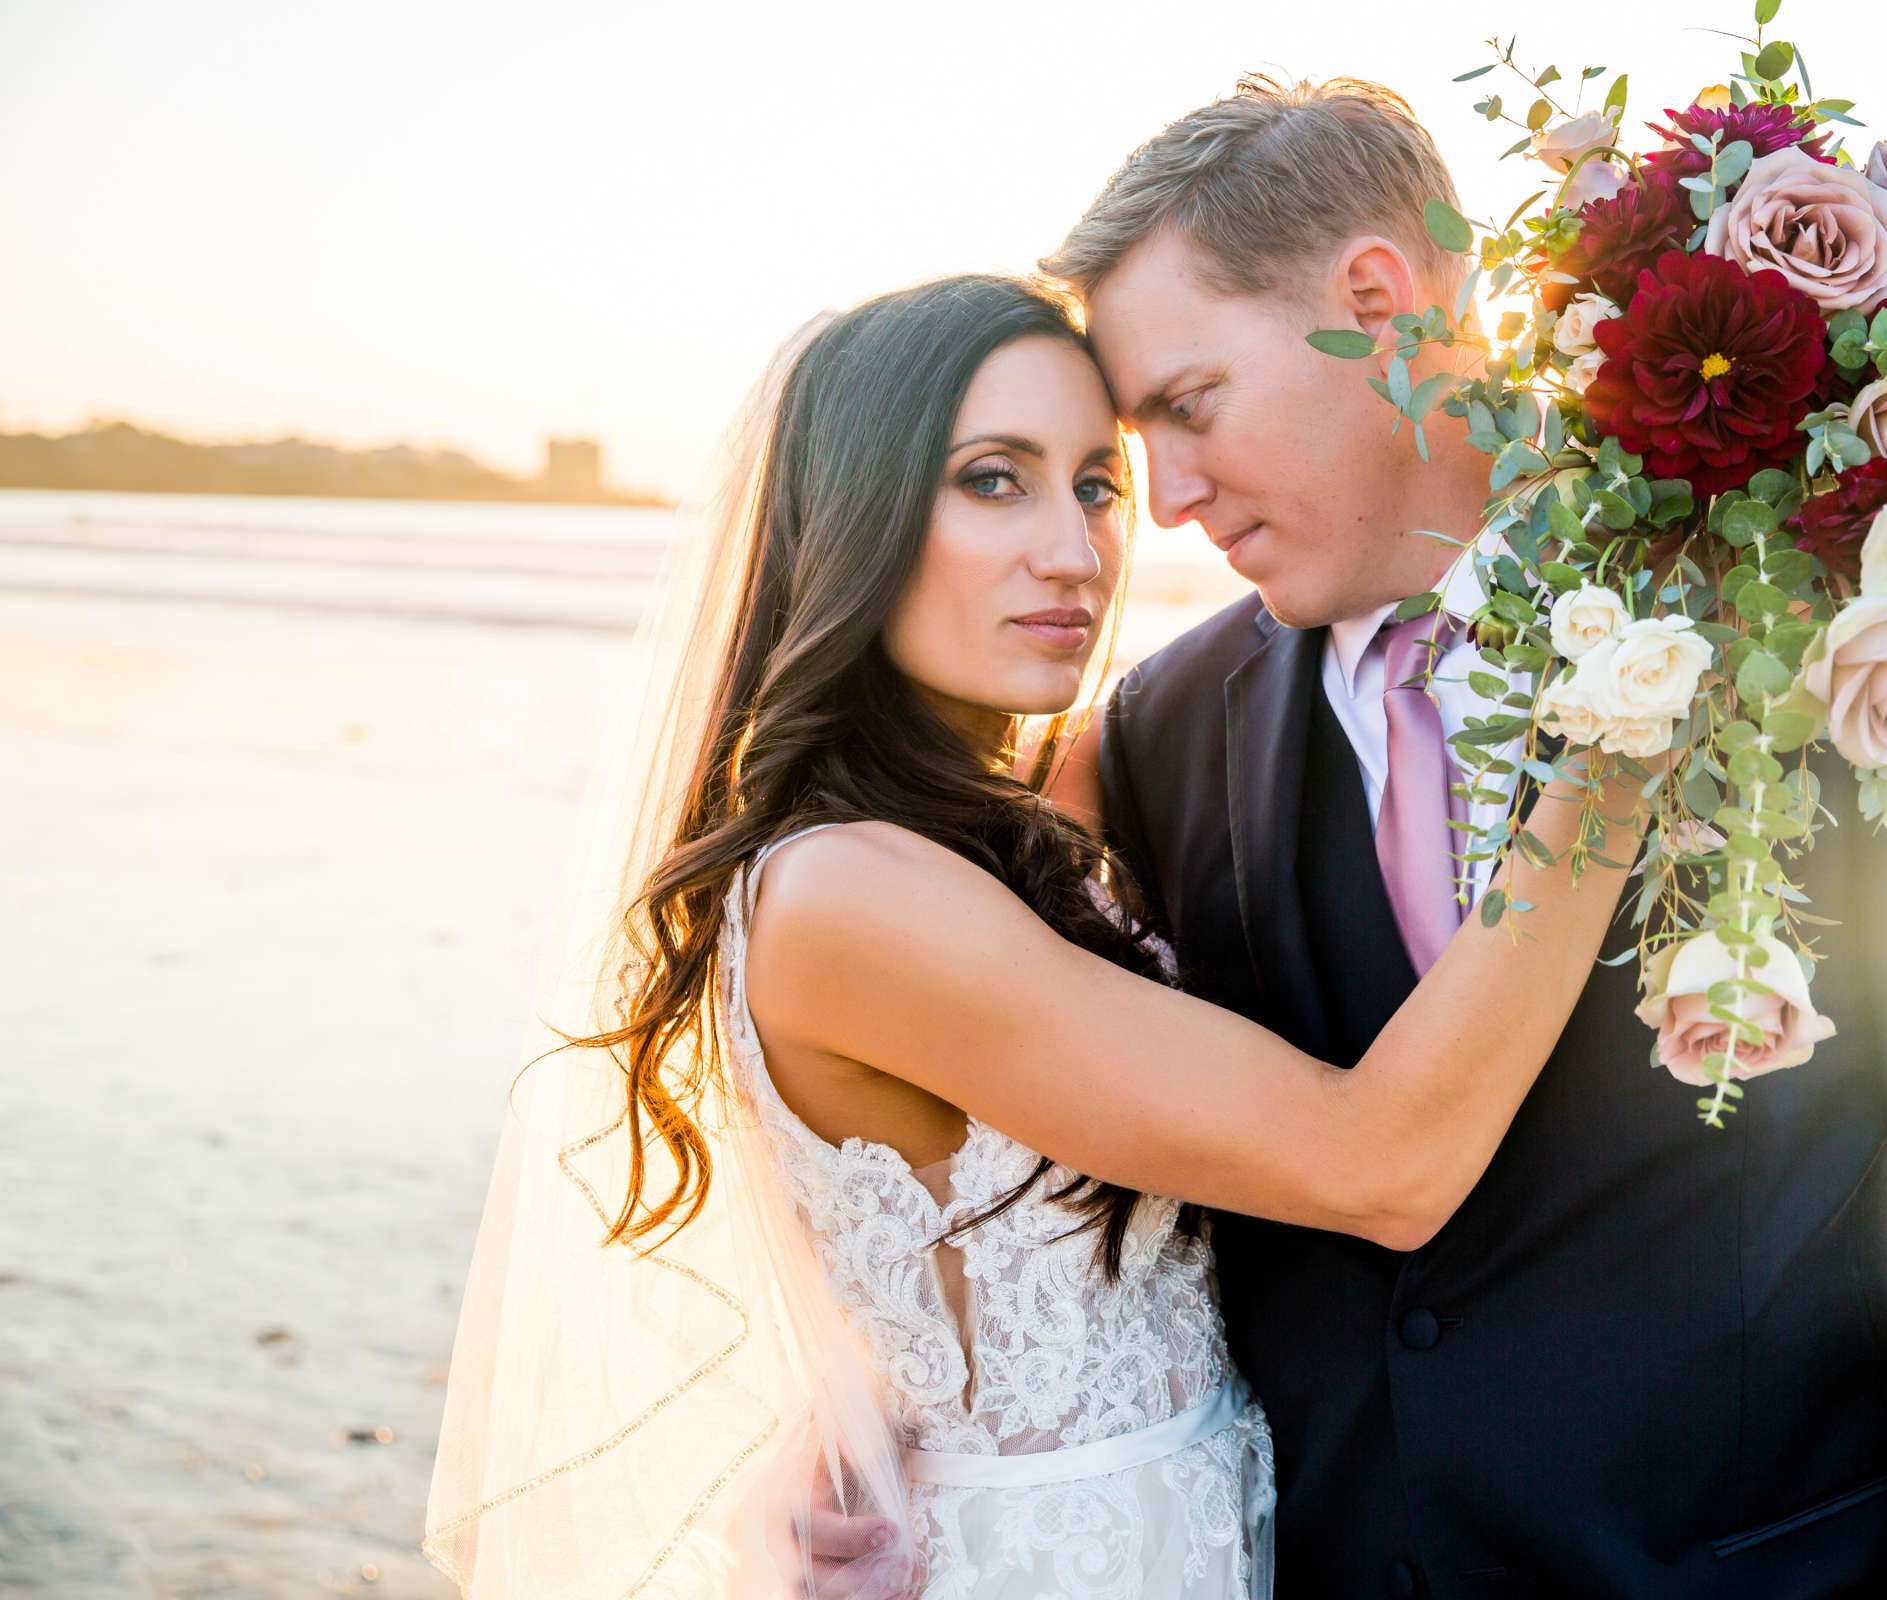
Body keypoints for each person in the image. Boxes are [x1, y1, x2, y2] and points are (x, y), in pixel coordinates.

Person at [1045, 76, 1887, 1597]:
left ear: (1376, 300)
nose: (1168, 498)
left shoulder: (1860, 652)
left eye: (1189, 406)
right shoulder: (1161, 734)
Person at [422, 273, 1651, 1598]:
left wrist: (857, 1419)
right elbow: (1381, 1164)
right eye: (994, 481)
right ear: (853, 518)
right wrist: (1632, 733)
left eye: (1094, 484)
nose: (1073, 550)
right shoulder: (845, 897)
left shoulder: (1037, 808)